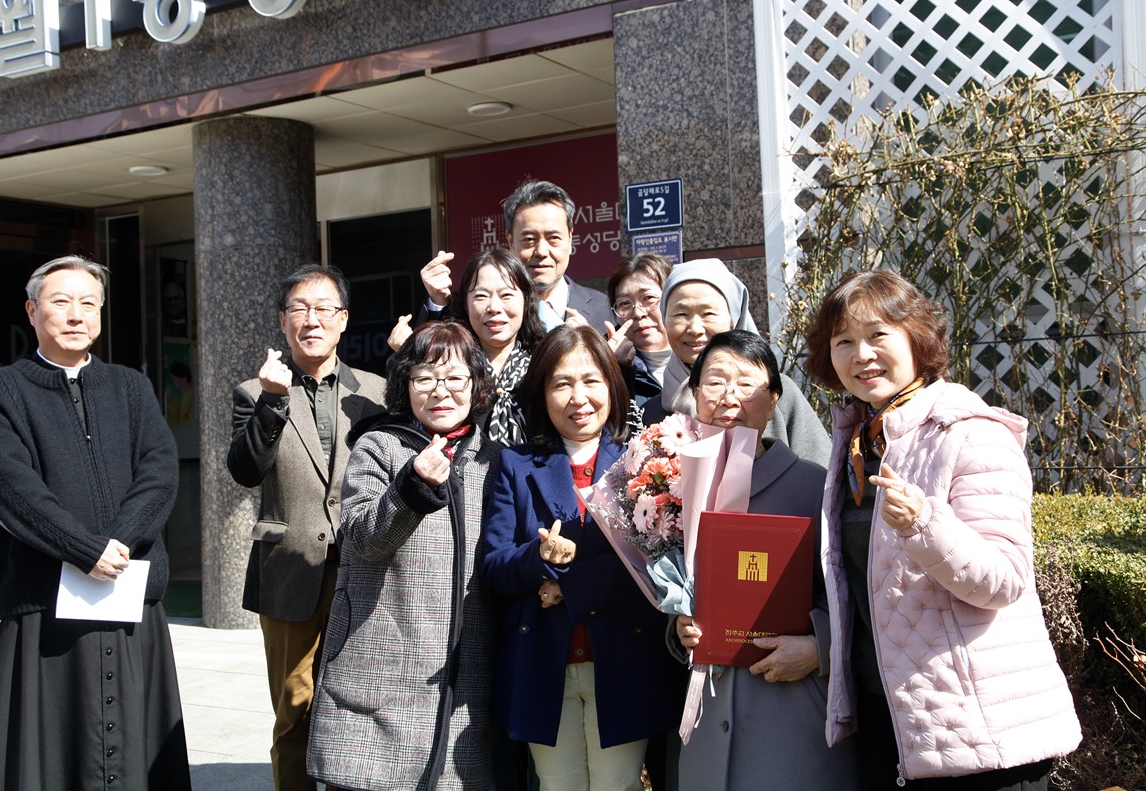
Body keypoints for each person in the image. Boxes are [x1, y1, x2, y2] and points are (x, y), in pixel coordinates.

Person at [803, 269, 1081, 789]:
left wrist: (925, 524)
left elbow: (1005, 580)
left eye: (878, 335)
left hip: (981, 735)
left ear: (917, 338)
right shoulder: (856, 443)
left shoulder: (969, 433)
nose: (862, 354)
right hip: (890, 721)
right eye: (844, 342)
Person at [0, 255, 190, 790]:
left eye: (89, 303)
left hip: (128, 592)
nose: (76, 315)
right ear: (32, 310)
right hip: (45, 602)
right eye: (61, 301)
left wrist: (120, 543)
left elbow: (159, 471)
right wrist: (83, 549)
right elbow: (12, 488)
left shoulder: (131, 387)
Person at [483, 325, 684, 791]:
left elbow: (655, 563)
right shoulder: (514, 465)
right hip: (541, 662)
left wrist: (568, 587)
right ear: (541, 394)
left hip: (623, 657)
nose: (579, 398)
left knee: (618, 784)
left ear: (612, 386)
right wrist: (539, 556)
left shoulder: (643, 461)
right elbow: (494, 565)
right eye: (561, 383)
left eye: (591, 380)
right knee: (557, 785)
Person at [306, 321, 501, 790]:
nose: (440, 390)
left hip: (461, 678)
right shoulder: (379, 446)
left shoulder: (492, 460)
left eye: (455, 377)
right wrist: (411, 487)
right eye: (424, 377)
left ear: (476, 383)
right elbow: (361, 537)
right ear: (405, 384)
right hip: (379, 670)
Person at [669, 330, 860, 791]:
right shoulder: (669, 483)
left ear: (774, 400)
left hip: (792, 715)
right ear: (695, 395)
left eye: (746, 383)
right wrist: (679, 628)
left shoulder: (816, 486)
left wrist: (819, 646)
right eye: (715, 381)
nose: (729, 396)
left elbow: (859, 591)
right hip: (707, 719)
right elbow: (670, 581)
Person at [226, 264, 387, 791]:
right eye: (299, 308)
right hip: (288, 572)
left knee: (358, 704)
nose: (311, 320)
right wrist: (273, 402)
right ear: (282, 321)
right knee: (295, 711)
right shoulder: (254, 391)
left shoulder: (378, 391)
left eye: (323, 309)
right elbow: (245, 471)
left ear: (344, 319)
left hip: (362, 570)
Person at [641, 258, 832, 466]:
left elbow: (822, 474)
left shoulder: (775, 392)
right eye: (680, 314)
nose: (695, 328)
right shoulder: (651, 412)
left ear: (734, 317)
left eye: (708, 313)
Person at [390, 248, 546, 448]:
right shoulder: (449, 366)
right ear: (465, 303)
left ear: (526, 300)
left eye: (506, 295)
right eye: (481, 296)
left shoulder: (544, 364)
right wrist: (405, 358)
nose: (494, 307)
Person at [413, 180, 616, 332]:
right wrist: (438, 301)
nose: (541, 251)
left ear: (570, 238)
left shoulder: (604, 309)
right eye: (529, 239)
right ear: (510, 242)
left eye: (553, 238)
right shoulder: (478, 310)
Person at [604, 252, 673, 405]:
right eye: (624, 303)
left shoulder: (703, 358)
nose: (638, 313)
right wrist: (615, 368)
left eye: (648, 298)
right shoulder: (605, 369)